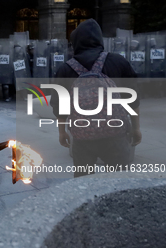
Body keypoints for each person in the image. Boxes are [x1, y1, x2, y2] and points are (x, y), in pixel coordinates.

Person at [50, 19, 142, 178]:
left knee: (83, 182)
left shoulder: (65, 69)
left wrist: (62, 132)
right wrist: (135, 128)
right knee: (119, 181)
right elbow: (132, 100)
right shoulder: (118, 62)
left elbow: (59, 105)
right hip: (116, 135)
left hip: (82, 136)